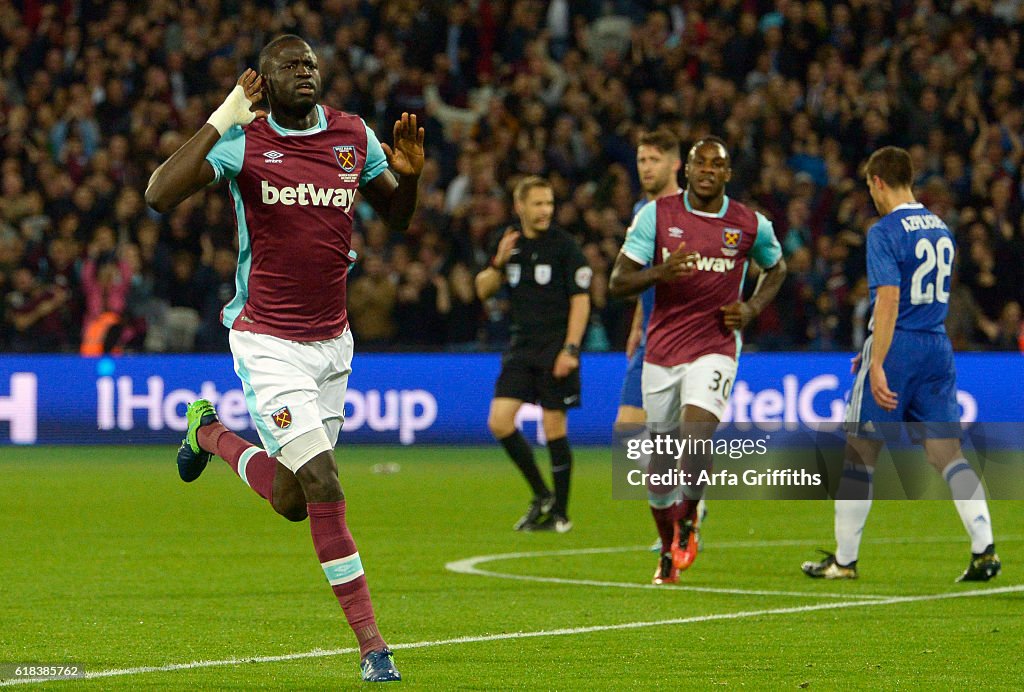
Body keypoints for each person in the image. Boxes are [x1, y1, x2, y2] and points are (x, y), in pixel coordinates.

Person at [145, 35, 424, 682]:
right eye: (291, 65)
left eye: (312, 64)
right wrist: (223, 117)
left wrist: (409, 178)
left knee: (296, 499)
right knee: (326, 482)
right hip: (267, 342)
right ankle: (373, 646)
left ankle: (207, 433)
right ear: (262, 83)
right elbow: (159, 195)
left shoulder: (354, 136)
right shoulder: (248, 141)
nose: (306, 71)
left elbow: (398, 217)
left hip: (332, 343)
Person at [801, 146, 1000, 583]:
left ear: (877, 182)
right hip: (935, 343)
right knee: (948, 454)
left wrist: (877, 359)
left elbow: (890, 298)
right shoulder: (941, 228)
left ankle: (845, 561)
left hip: (899, 350)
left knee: (859, 453)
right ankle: (984, 550)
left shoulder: (884, 231)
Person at [609, 136, 787, 585]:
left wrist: (750, 309)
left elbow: (777, 268)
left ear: (727, 174)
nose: (708, 170)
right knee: (661, 463)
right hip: (662, 352)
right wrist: (659, 274)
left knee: (696, 435)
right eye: (700, 162)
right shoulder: (656, 216)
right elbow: (618, 281)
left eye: (717, 164)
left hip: (716, 347)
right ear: (687, 169)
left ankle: (689, 521)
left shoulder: (748, 224)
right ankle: (668, 548)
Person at [475, 175, 591, 533]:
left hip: (557, 348)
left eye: (549, 204)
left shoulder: (565, 247)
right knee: (499, 421)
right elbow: (482, 290)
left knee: (553, 427)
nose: (545, 211)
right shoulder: (509, 243)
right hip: (521, 349)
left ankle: (561, 513)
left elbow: (581, 300)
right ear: (520, 207)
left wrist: (571, 349)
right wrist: (498, 262)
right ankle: (542, 494)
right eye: (538, 204)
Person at [613, 129, 708, 554]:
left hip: (690, 337)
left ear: (674, 164)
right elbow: (641, 272)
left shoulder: (695, 210)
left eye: (653, 160)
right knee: (629, 432)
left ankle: (684, 517)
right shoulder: (642, 211)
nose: (645, 168)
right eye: (640, 160)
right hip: (652, 337)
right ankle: (681, 509)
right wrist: (637, 324)